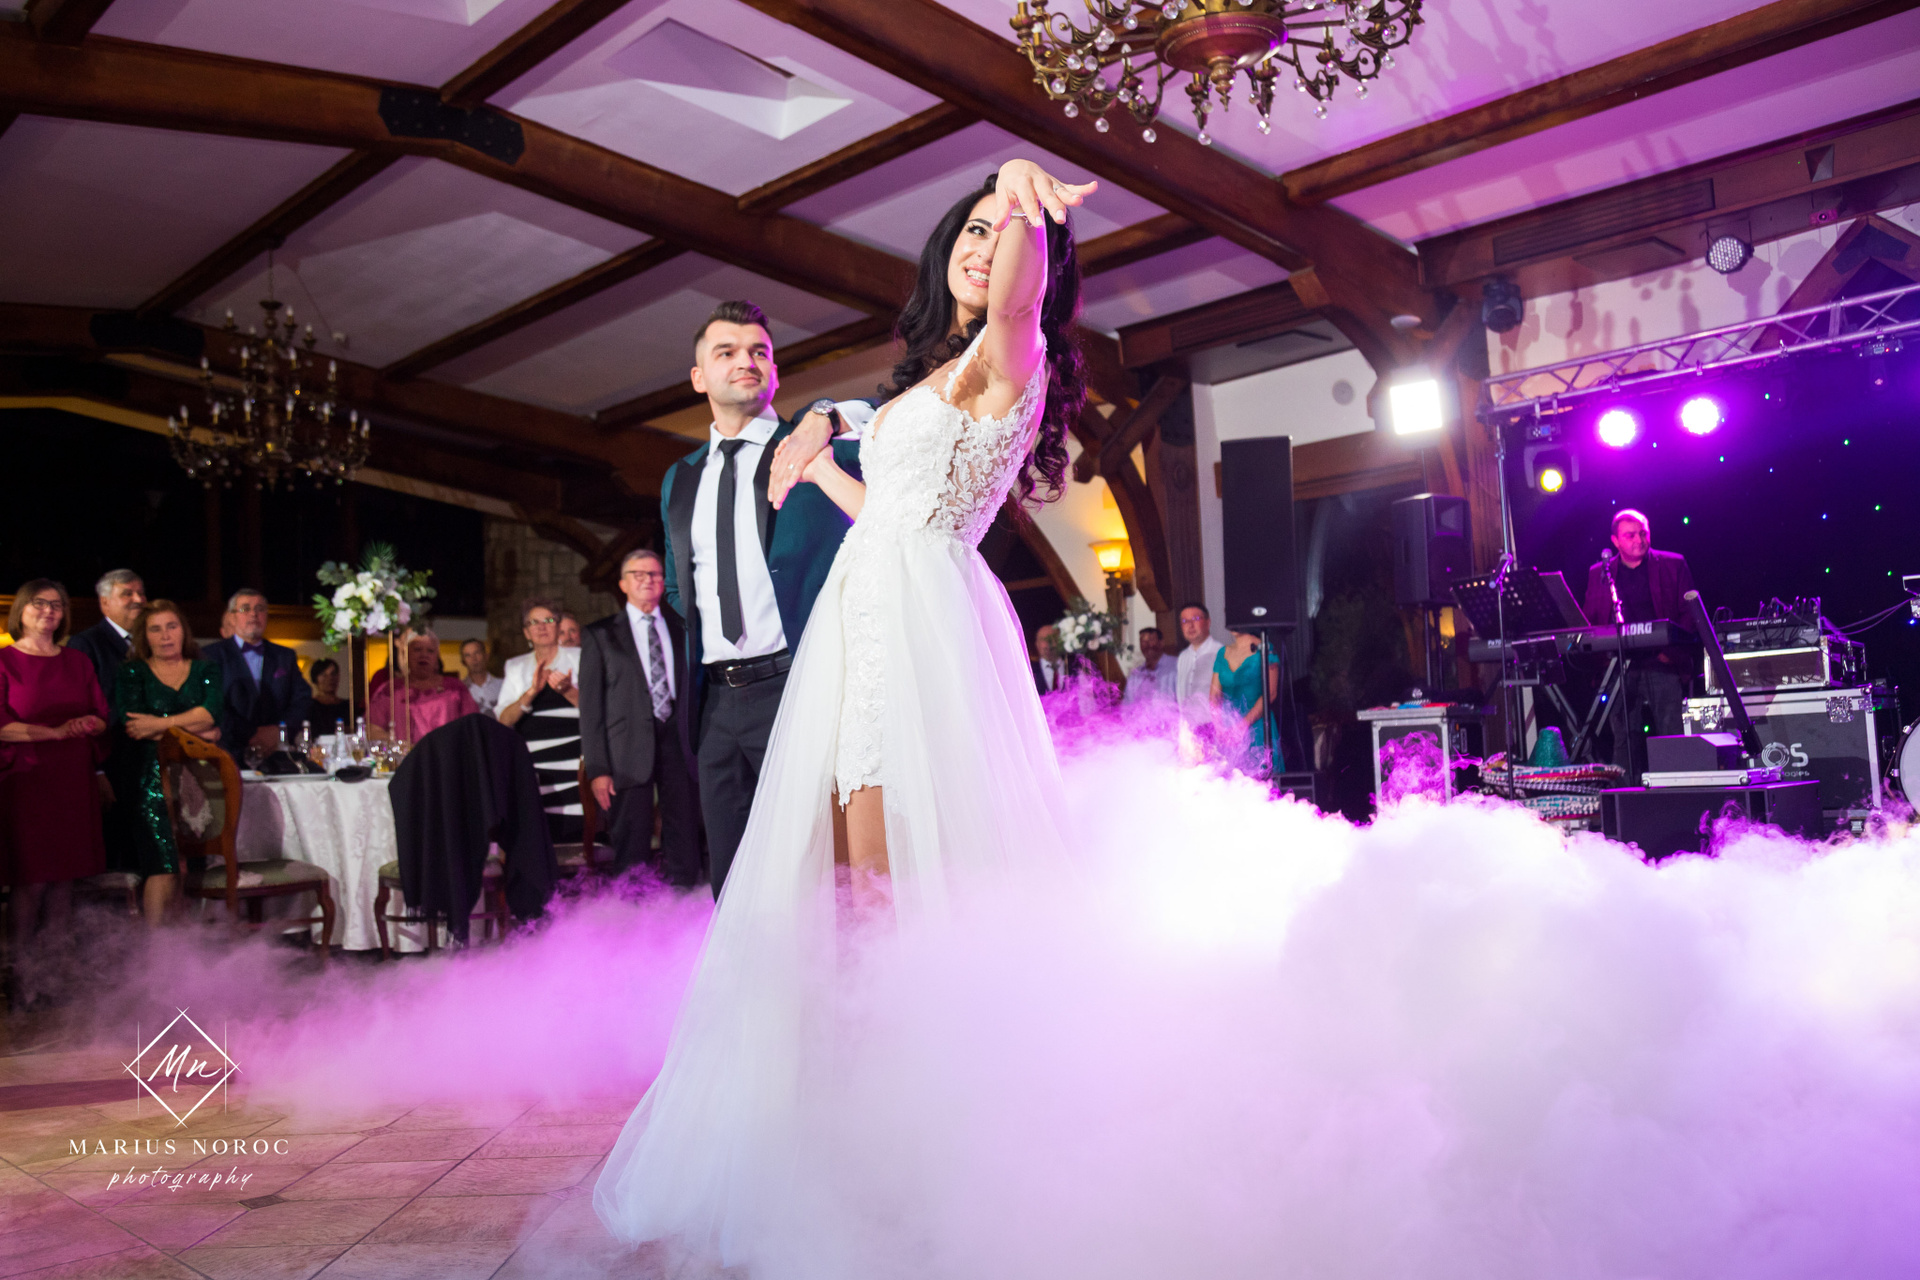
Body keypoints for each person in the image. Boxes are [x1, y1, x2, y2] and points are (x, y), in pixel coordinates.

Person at [597, 158, 1095, 1255]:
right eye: (969, 229)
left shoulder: (1012, 349)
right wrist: (820, 470)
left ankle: (914, 1147)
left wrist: (1020, 184)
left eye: (999, 231)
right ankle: (854, 1120)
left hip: (916, 632)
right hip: (862, 616)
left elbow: (1015, 300)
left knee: (887, 895)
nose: (983, 245)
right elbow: (896, 508)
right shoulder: (936, 373)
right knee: (827, 889)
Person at [655, 300, 866, 896]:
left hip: (796, 685)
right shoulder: (680, 477)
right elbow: (679, 584)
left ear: (774, 370)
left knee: (816, 869)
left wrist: (826, 414)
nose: (745, 361)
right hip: (716, 703)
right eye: (726, 352)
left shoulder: (814, 446)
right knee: (731, 879)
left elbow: (882, 414)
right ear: (699, 377)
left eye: (759, 352)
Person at [1, 580, 109, 996]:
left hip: (71, 779)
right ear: (21, 610)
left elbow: (101, 714)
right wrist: (55, 732)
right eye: (39, 603)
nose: (49, 610)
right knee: (30, 880)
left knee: (65, 880)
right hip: (27, 779)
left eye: (57, 605)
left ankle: (53, 978)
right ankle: (20, 981)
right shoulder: (5, 660)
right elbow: (2, 726)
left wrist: (89, 724)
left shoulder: (78, 661)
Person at [580, 549, 700, 885]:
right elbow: (591, 709)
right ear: (623, 583)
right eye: (638, 574)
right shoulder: (601, 634)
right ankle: (632, 906)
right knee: (631, 834)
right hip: (626, 747)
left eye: (655, 574)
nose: (647, 580)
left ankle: (684, 898)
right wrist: (598, 769)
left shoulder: (682, 628)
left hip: (678, 739)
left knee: (684, 827)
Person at [109, 600, 224, 926]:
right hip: (150, 780)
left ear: (183, 631)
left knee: (195, 866)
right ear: (144, 636)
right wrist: (199, 731)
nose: (165, 635)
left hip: (200, 778)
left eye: (172, 627)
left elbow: (210, 714)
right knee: (162, 866)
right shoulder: (132, 673)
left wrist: (159, 725)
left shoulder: (206, 670)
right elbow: (134, 726)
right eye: (155, 629)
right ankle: (157, 949)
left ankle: (188, 944)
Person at [1581, 508, 1697, 781]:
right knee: (1624, 737)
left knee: (1671, 733)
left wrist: (1672, 653)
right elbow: (1591, 619)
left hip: (1662, 662)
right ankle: (1626, 795)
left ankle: (1677, 790)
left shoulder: (1672, 564)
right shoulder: (1600, 573)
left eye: (1643, 533)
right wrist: (1601, 659)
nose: (1639, 540)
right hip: (1620, 665)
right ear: (1615, 541)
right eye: (1630, 535)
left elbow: (1690, 613)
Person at [498, 598, 584, 841]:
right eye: (533, 623)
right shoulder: (515, 667)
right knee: (540, 830)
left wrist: (569, 691)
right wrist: (531, 692)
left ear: (558, 625)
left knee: (577, 830)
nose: (541, 627)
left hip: (576, 757)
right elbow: (504, 720)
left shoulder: (580, 657)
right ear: (526, 632)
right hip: (534, 762)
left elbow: (598, 710)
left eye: (548, 620)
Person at [203, 588, 311, 766]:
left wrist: (279, 731)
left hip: (277, 755)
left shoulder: (284, 656)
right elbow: (213, 704)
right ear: (232, 617)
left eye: (260, 609)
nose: (253, 614)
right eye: (245, 609)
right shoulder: (211, 655)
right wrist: (252, 734)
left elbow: (302, 699)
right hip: (229, 754)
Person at [369, 628, 478, 743]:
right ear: (407, 654)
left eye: (430, 651)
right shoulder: (391, 690)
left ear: (437, 658)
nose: (424, 655)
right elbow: (373, 729)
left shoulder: (455, 688)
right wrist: (399, 747)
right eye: (417, 649)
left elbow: (473, 727)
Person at [1211, 628, 1284, 775]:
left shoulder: (1266, 649)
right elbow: (1214, 696)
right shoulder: (1222, 653)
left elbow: (1270, 693)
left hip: (1257, 727)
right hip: (1227, 730)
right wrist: (1219, 728)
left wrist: (1242, 726)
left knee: (1260, 780)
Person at [66, 568, 146, 700]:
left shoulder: (151, 639)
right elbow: (78, 698)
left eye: (141, 593)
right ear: (105, 602)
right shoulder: (85, 644)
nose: (138, 600)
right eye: (127, 594)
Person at [1174, 601, 1224, 722]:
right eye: (1185, 621)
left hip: (1212, 724)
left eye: (1195, 619)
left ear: (1208, 622)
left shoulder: (1220, 652)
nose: (1190, 625)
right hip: (1188, 726)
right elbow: (1181, 696)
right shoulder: (1183, 657)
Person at [1030, 622, 1092, 694]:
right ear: (1037, 644)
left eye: (1053, 638)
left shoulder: (1077, 669)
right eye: (1043, 639)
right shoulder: (1028, 671)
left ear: (1061, 642)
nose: (1048, 643)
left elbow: (1087, 696)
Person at [1124, 626, 1176, 703]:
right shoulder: (1135, 676)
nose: (1147, 645)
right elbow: (1127, 705)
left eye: (1151, 640)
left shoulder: (1176, 666)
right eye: (1143, 641)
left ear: (1161, 643)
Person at [304, 658, 351, 738]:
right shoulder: (308, 706)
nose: (330, 678)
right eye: (323, 675)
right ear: (315, 678)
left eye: (333, 674)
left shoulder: (348, 706)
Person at [460, 639, 503, 717]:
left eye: (477, 653)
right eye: (468, 655)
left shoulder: (502, 685)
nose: (474, 659)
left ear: (486, 656)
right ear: (463, 661)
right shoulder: (459, 689)